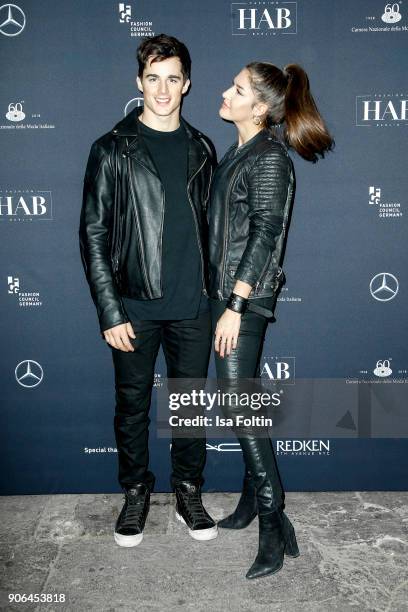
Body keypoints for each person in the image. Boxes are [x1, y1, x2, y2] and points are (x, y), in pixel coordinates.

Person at [79, 34, 218, 548]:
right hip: (133, 306)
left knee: (189, 405)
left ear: (187, 84)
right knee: (132, 405)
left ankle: (187, 493)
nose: (163, 89)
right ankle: (136, 492)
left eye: (173, 79)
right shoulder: (111, 148)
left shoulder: (203, 147)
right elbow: (92, 234)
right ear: (139, 83)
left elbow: (216, 231)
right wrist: (109, 310)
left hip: (193, 306)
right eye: (153, 78)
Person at [208, 62, 334, 578]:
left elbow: (265, 233)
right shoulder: (238, 153)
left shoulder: (269, 160)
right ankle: (248, 502)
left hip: (243, 299)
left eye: (236, 90)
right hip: (222, 295)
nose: (225, 92)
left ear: (259, 108)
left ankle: (272, 522)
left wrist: (236, 305)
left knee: (238, 404)